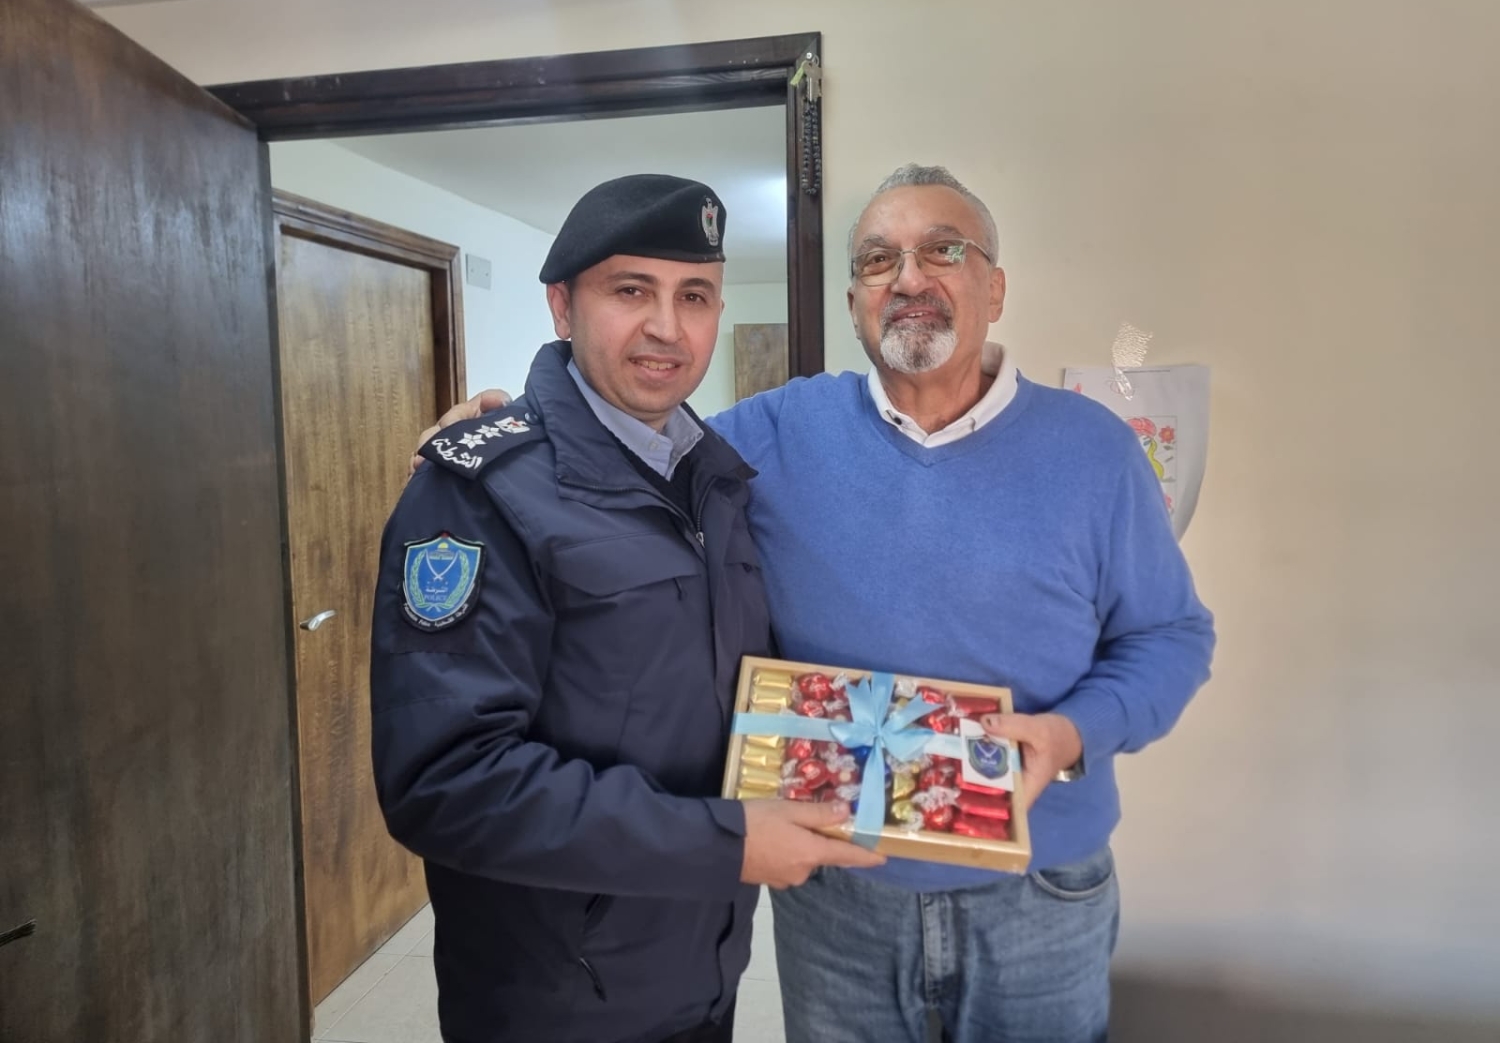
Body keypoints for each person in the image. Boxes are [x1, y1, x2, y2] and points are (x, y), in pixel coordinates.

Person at [418, 165, 1216, 1043]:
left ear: (994, 288)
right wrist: (502, 425)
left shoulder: (1094, 451)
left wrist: (1071, 734)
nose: (908, 278)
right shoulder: (766, 436)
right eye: (878, 259)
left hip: (1040, 890)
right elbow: (622, 449)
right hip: (837, 892)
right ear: (852, 301)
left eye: (942, 251)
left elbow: (1172, 636)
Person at [372, 174, 883, 1043]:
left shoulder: (717, 477)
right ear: (562, 306)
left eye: (695, 296)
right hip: (557, 1000)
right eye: (631, 290)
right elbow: (446, 782)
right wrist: (727, 842)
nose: (667, 327)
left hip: (700, 969)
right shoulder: (480, 493)